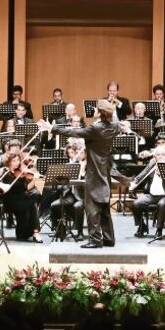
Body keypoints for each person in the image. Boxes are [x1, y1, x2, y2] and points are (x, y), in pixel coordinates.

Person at [40, 99, 119, 248]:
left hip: (94, 170)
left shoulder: (96, 129)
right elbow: (113, 117)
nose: (93, 111)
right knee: (104, 205)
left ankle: (95, 239)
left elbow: (74, 132)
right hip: (105, 168)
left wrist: (52, 128)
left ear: (100, 113)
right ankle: (108, 238)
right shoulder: (114, 125)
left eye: (96, 109)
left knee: (92, 206)